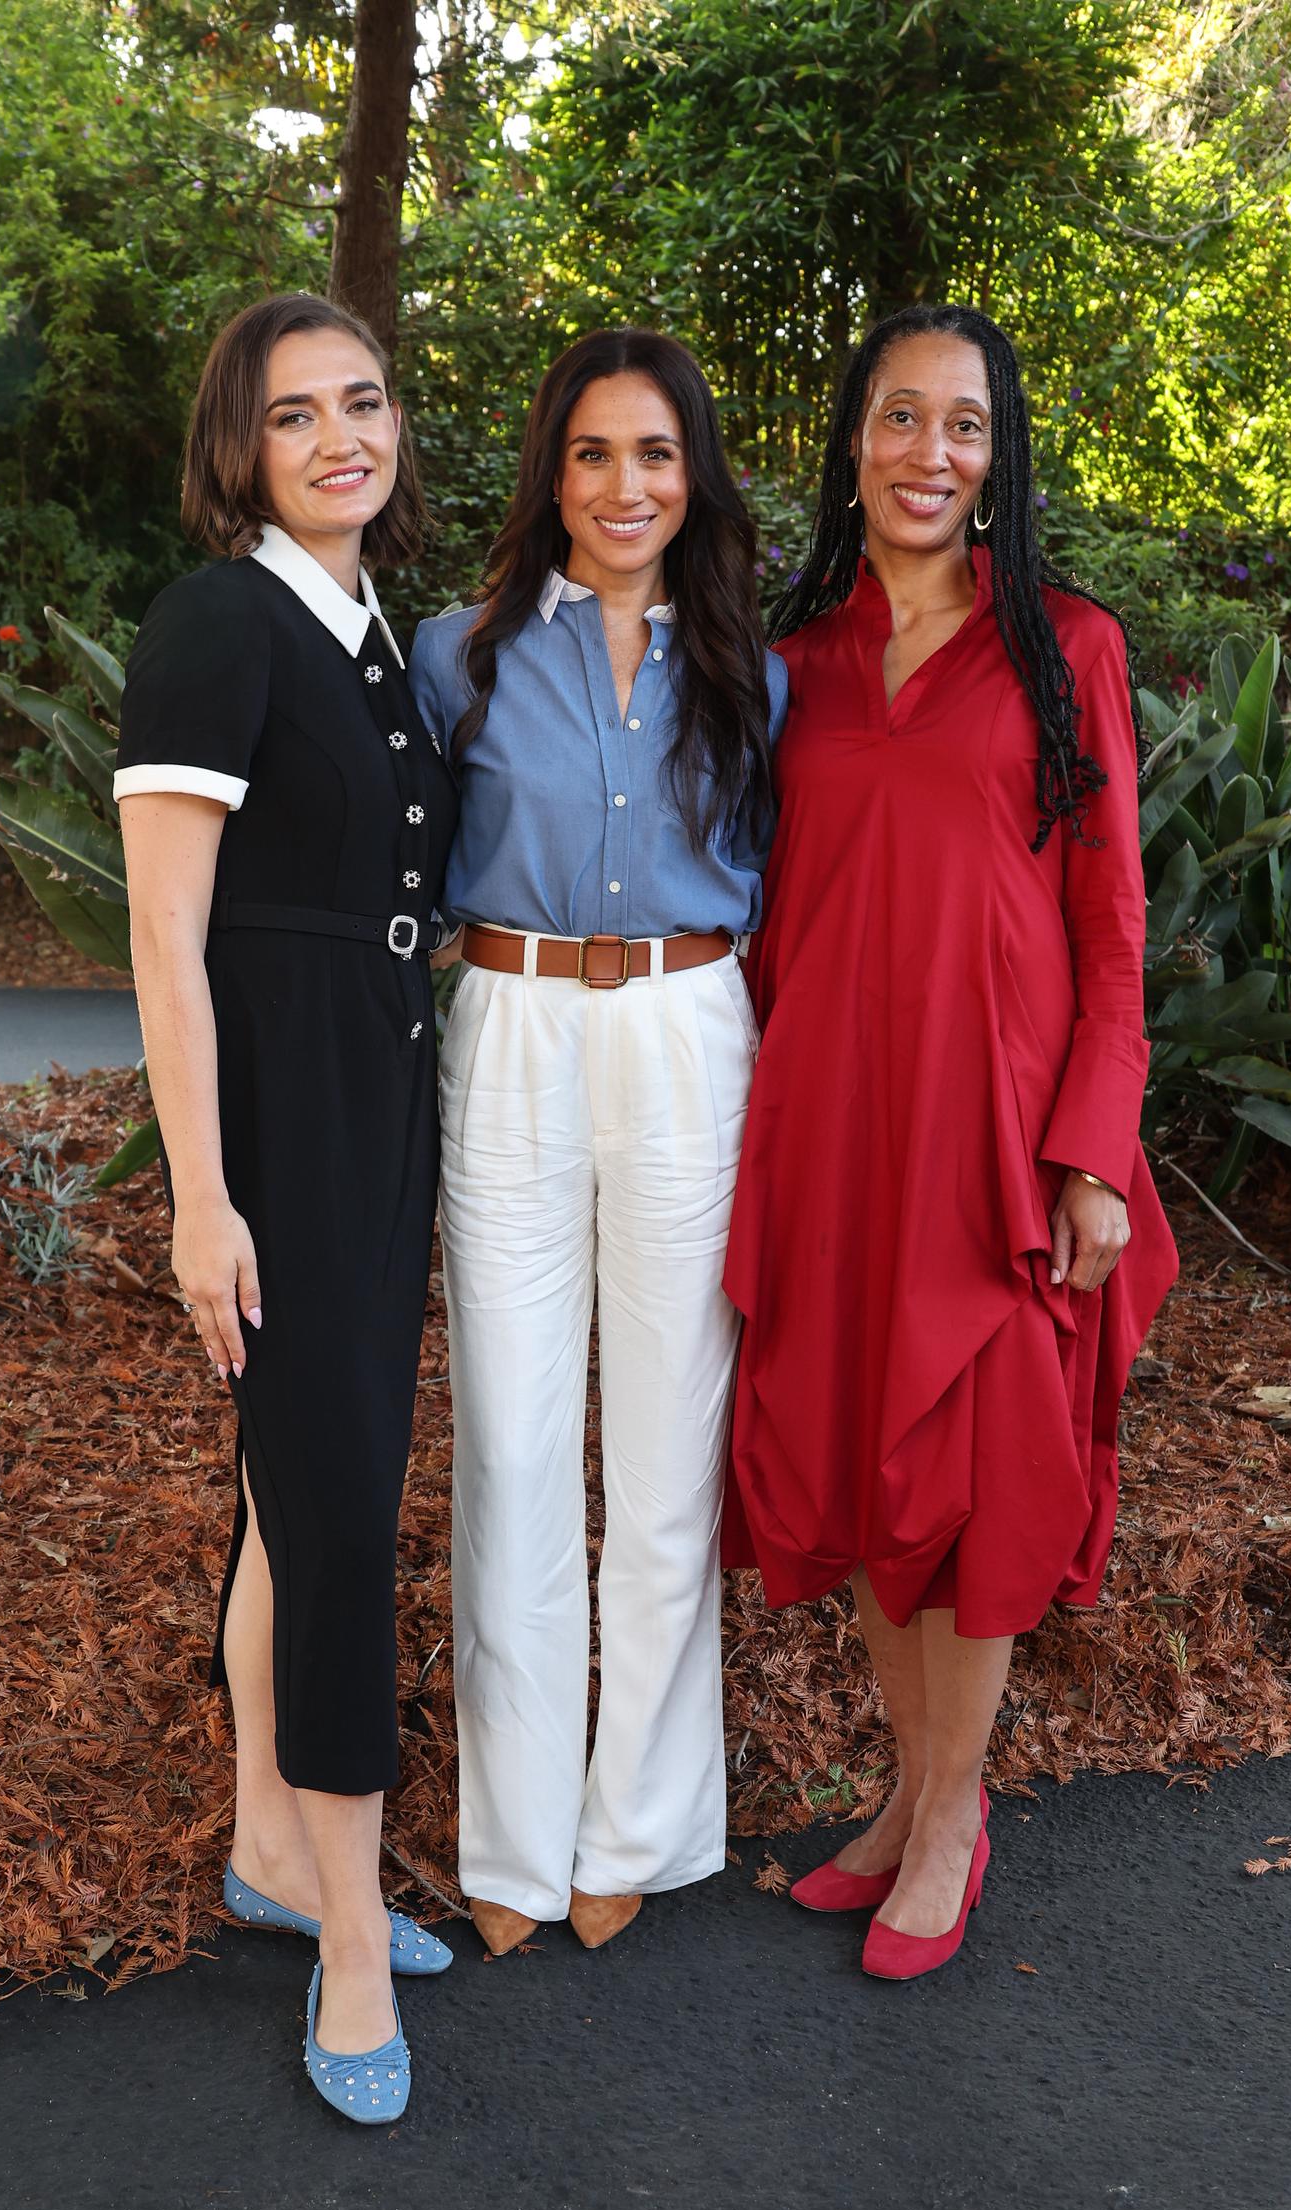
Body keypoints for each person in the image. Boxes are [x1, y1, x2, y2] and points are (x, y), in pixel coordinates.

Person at [724, 302, 1178, 1980]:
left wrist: (1094, 1149)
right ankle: (912, 1801)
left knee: (973, 1490)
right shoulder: (793, 659)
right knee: (867, 1476)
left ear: (1000, 459)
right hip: (838, 1129)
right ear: (854, 438)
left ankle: (955, 1817)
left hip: (999, 1137)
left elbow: (1115, 923)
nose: (931, 454)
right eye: (901, 419)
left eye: (965, 426)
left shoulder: (1068, 647)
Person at [113, 292, 459, 2121]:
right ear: (238, 447)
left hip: (380, 1099)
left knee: (293, 1506)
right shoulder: (215, 622)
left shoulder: (369, 633)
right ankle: (342, 1945)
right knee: (332, 1528)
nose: (342, 436)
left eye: (366, 402)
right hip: (287, 1129)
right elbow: (167, 944)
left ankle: (270, 1848)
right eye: (296, 413)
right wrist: (202, 1202)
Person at [409, 329, 788, 1956]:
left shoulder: (751, 672)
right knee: (507, 1440)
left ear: (691, 473)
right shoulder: (460, 655)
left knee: (662, 1454)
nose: (623, 485)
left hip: (690, 1036)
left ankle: (633, 1825)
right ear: (549, 473)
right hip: (512, 1029)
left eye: (653, 454)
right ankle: (512, 1844)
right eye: (590, 454)